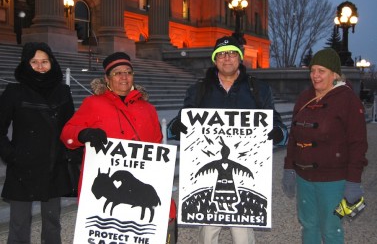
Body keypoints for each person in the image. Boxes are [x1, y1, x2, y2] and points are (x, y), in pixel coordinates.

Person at [167, 36, 288, 244]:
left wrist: (277, 132)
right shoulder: (199, 90)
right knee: (208, 234)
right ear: (215, 60)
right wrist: (177, 127)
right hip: (207, 182)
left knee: (242, 235)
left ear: (240, 58)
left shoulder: (258, 89)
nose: (227, 59)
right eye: (221, 54)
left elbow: (275, 122)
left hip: (246, 178)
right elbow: (180, 122)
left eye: (232, 53)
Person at [59, 52, 177, 243]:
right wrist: (83, 134)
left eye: (128, 72)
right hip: (110, 181)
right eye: (117, 73)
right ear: (107, 78)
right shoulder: (93, 104)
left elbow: (156, 143)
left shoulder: (147, 108)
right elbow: (67, 133)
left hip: (141, 179)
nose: (124, 77)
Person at [282, 48, 368, 243]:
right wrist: (289, 168)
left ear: (334, 74)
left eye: (321, 71)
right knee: (308, 224)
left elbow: (358, 144)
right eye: (312, 70)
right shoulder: (305, 97)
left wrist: (354, 181)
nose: (315, 75)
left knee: (331, 229)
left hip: (333, 181)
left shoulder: (348, 100)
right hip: (304, 178)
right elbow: (294, 137)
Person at [0, 42, 75, 244]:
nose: (40, 66)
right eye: (34, 62)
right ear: (26, 64)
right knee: (19, 223)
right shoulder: (14, 91)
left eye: (44, 61)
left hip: (53, 164)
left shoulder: (62, 91)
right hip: (22, 166)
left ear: (52, 62)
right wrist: (10, 154)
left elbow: (70, 126)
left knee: (52, 221)